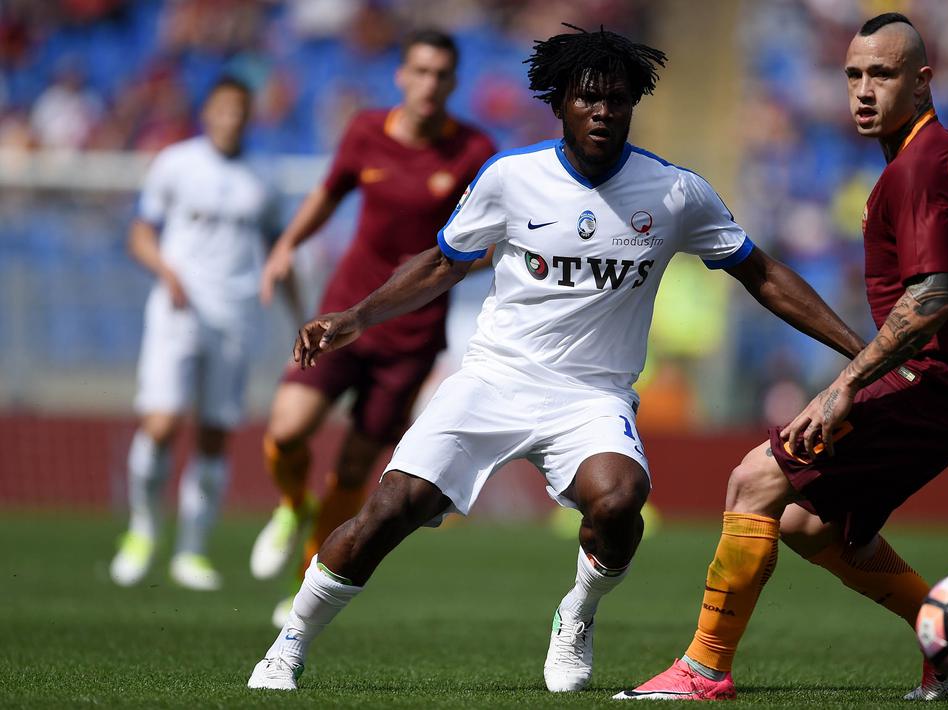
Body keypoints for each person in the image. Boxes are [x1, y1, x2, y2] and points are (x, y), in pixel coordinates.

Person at [246, 24, 866, 692]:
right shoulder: (512, 178)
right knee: (392, 506)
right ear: (560, 103)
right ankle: (289, 643)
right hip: (493, 379)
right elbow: (441, 264)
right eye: (589, 98)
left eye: (618, 100)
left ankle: (578, 613)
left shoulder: (674, 192)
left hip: (590, 396)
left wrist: (861, 352)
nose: (604, 111)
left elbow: (762, 274)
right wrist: (357, 316)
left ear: (633, 106)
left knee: (621, 500)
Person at [617, 13, 948, 702]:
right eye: (852, 74)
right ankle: (940, 635)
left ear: (921, 80)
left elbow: (932, 298)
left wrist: (842, 387)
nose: (861, 90)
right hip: (945, 387)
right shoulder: (945, 155)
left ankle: (702, 670)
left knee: (751, 482)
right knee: (803, 523)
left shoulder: (916, 168)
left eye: (880, 75)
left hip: (927, 385)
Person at [247, 29, 496, 625]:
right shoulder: (364, 132)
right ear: (401, 76)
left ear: (453, 82)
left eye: (441, 74)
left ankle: (305, 578)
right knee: (286, 431)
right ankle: (290, 505)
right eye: (421, 71)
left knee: (356, 469)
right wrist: (286, 244)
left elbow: (488, 235)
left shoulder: (473, 150)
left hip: (410, 335)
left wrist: (478, 258)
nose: (430, 84)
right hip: (343, 313)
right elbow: (329, 194)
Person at [110, 77, 282, 591]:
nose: (232, 118)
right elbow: (140, 232)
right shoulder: (176, 164)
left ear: (250, 115)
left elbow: (281, 249)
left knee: (214, 433)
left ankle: (192, 549)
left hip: (236, 314)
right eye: (224, 109)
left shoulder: (263, 179)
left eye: (241, 110)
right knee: (162, 423)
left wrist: (301, 313)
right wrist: (167, 273)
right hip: (178, 309)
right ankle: (141, 531)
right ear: (208, 112)